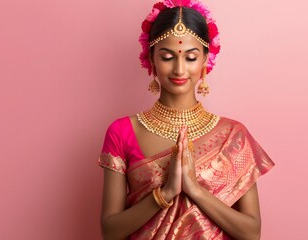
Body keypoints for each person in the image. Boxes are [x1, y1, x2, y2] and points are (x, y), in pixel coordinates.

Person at [98, 0, 275, 239]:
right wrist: (166, 193)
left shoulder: (233, 135)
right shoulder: (123, 131)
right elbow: (110, 232)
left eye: (190, 57)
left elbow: (252, 233)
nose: (179, 70)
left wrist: (195, 191)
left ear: (205, 60)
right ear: (151, 59)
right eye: (167, 57)